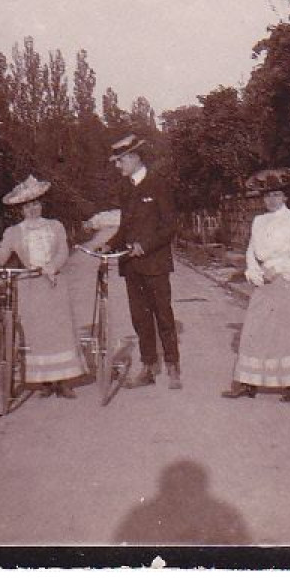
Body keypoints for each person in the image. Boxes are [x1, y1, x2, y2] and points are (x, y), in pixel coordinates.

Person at [222, 167, 290, 403]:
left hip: (287, 279)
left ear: (285, 197)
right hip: (264, 280)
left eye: (276, 195)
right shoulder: (259, 221)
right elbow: (251, 249)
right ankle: (249, 382)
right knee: (254, 329)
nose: (271, 200)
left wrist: (280, 270)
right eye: (268, 195)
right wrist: (253, 270)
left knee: (287, 331)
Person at [0, 174, 84, 398]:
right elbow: (1, 255)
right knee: (36, 334)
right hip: (29, 287)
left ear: (41, 204)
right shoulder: (13, 232)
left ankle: (63, 380)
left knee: (58, 330)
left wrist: (52, 267)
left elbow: (63, 251)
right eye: (27, 206)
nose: (32, 209)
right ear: (21, 210)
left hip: (53, 283)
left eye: (35, 204)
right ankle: (44, 381)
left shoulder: (56, 226)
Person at [105, 134, 181, 390]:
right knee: (140, 319)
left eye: (120, 160)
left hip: (155, 264)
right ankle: (148, 367)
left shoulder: (159, 184)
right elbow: (125, 228)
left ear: (135, 157)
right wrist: (109, 244)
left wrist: (145, 246)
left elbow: (170, 226)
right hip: (131, 266)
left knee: (163, 316)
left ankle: (173, 367)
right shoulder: (125, 189)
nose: (118, 166)